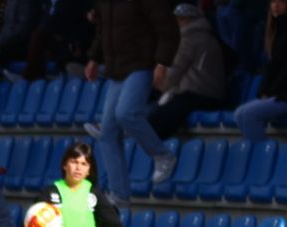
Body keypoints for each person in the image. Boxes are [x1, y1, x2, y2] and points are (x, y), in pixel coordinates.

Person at [86, 0, 180, 206]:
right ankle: (119, 193)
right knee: (107, 133)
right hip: (116, 70)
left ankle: (162, 155)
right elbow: (103, 32)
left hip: (141, 64)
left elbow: (168, 29)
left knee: (126, 113)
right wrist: (94, 58)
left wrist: (162, 63)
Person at [28, 141, 125, 227]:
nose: (78, 168)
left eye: (84, 164)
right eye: (74, 162)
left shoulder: (94, 196)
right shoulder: (49, 193)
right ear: (64, 165)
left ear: (89, 170)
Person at [148, 4, 228, 139]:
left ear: (189, 19)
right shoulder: (206, 36)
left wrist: (158, 87)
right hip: (205, 92)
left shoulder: (189, 38)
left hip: (199, 93)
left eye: (180, 19)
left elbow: (174, 72)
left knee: (157, 118)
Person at [235, 0, 287, 141]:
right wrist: (263, 92)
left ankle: (265, 152)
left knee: (248, 115)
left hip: (283, 95)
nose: (276, 6)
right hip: (277, 94)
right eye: (273, 2)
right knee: (240, 114)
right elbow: (271, 68)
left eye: (282, 2)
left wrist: (270, 93)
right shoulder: (276, 31)